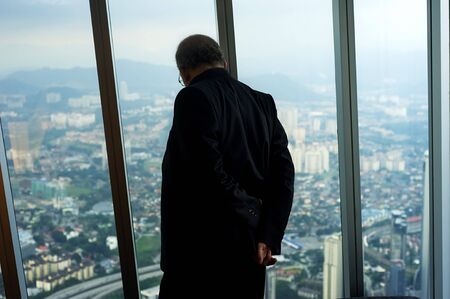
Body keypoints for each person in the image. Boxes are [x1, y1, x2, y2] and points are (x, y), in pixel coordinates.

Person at [159, 34, 294, 299]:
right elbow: (284, 174)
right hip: (251, 249)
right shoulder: (262, 102)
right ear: (225, 63)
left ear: (184, 72)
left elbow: (207, 174)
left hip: (201, 253)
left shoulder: (193, 97)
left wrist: (252, 212)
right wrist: (267, 233)